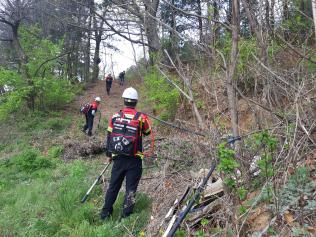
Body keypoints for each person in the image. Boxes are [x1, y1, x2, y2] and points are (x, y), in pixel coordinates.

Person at [100, 87, 151, 220]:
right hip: (134, 160)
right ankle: (126, 217)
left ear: (124, 100)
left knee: (113, 187)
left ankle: (105, 214)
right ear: (136, 101)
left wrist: (109, 155)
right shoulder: (142, 118)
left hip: (118, 158)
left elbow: (109, 136)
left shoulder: (115, 116)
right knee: (131, 189)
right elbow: (148, 132)